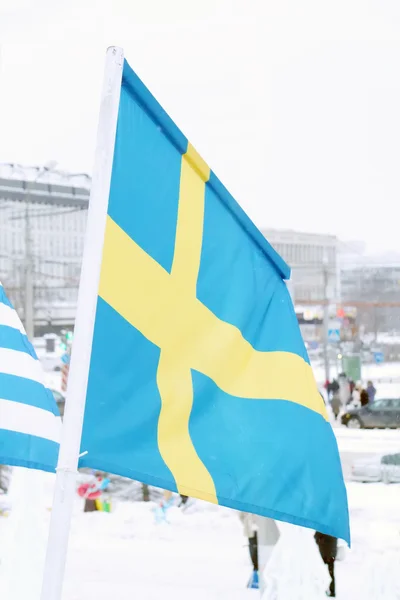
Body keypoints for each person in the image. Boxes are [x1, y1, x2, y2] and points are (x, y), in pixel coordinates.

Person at [314, 532, 337, 597]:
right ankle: (332, 591)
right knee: (331, 573)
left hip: (325, 553)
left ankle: (325, 589)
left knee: (324, 573)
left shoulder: (323, 528)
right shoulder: (335, 528)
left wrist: (318, 538)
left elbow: (317, 537)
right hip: (332, 553)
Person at [239, 512, 259, 588]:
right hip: (252, 530)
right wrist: (247, 524)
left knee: (260, 552)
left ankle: (257, 576)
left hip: (263, 529)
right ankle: (255, 577)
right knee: (254, 551)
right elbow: (241, 515)